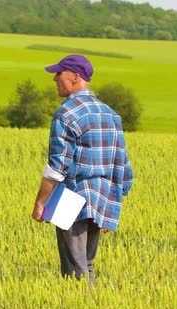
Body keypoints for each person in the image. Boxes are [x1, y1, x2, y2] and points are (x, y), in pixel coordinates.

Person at [31, 54, 134, 284]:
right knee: (86, 264)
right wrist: (111, 210)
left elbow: (57, 167)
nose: (54, 78)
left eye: (59, 73)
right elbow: (123, 165)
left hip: (70, 197)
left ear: (75, 77)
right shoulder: (111, 114)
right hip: (101, 199)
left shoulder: (66, 113)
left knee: (73, 270)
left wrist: (40, 204)